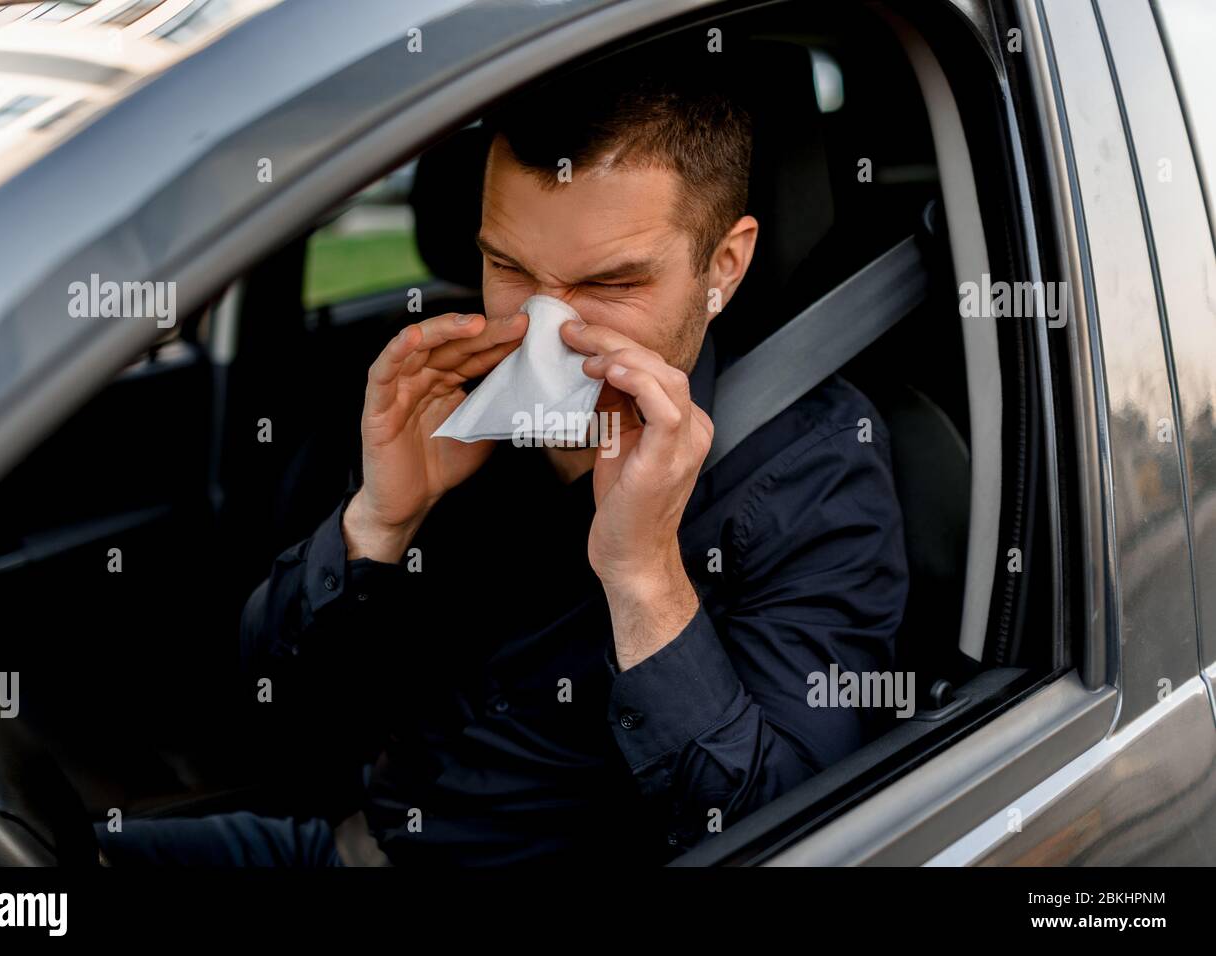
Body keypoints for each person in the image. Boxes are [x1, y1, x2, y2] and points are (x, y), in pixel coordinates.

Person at [98, 56, 908, 868]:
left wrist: (644, 581)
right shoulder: (455, 404)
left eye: (612, 282)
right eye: (510, 269)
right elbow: (281, 706)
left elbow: (783, 835)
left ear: (721, 267)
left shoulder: (815, 472)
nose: (548, 328)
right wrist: (380, 521)